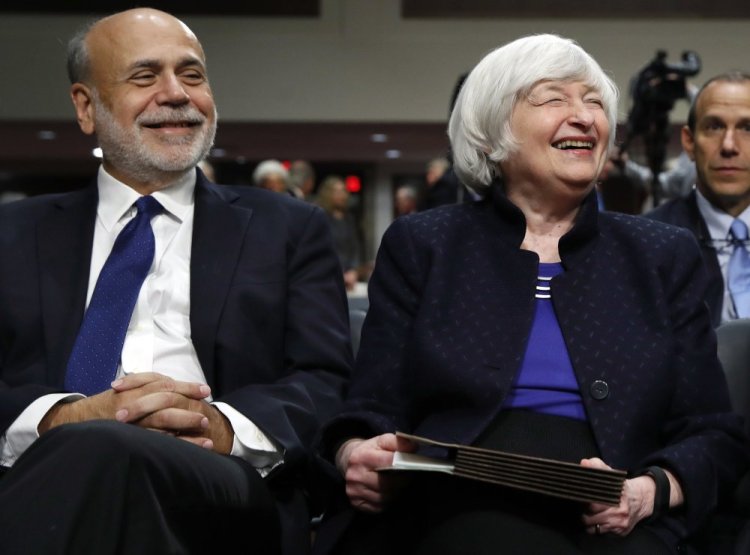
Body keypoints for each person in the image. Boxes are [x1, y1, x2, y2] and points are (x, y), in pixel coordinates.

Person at [314, 35, 748, 555]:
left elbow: (712, 432)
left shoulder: (662, 253)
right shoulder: (425, 244)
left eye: (594, 102)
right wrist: (356, 452)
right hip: (458, 493)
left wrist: (648, 491)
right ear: (493, 131)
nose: (584, 117)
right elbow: (370, 406)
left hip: (617, 506)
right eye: (553, 99)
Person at [0, 8, 352, 555]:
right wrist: (63, 419)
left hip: (221, 480)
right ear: (86, 106)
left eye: (191, 75)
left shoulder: (288, 229)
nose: (176, 94)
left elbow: (325, 379)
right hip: (45, 470)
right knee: (99, 453)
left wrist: (220, 425)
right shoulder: (13, 234)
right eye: (145, 77)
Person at [647, 71, 750, 327]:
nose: (729, 145)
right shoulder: (646, 245)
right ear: (689, 142)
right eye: (714, 127)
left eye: (747, 128)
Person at [316, 175, 363, 292]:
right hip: (327, 275)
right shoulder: (320, 216)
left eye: (343, 191)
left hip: (348, 276)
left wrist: (353, 270)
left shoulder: (349, 218)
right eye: (336, 191)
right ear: (328, 194)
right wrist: (338, 271)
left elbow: (354, 246)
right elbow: (321, 248)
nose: (341, 195)